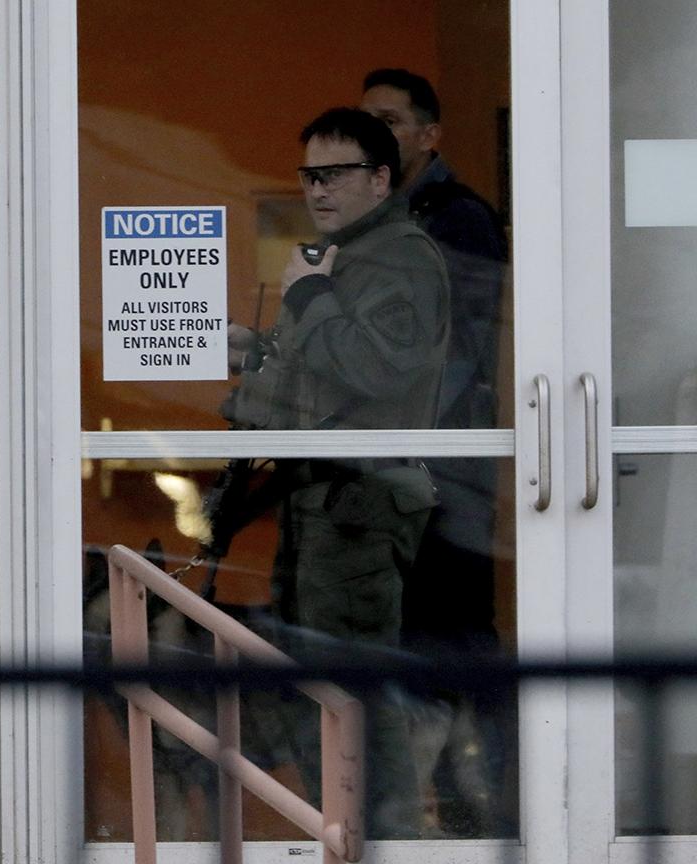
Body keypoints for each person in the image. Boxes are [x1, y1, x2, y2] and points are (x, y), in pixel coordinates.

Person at [225, 107, 449, 838]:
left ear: (381, 179)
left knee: (349, 693)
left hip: (358, 501)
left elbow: (377, 368)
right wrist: (259, 352)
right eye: (308, 175)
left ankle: (381, 842)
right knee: (321, 691)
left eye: (335, 174)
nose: (317, 190)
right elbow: (329, 375)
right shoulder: (347, 256)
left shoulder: (399, 256)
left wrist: (309, 297)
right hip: (322, 498)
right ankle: (352, 834)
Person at [361, 67, 511, 836]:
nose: (375, 133)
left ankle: (499, 808)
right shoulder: (382, 215)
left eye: (389, 118)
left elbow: (449, 347)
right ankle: (442, 811)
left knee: (457, 635)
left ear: (429, 134)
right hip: (403, 469)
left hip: (448, 470)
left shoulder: (457, 219)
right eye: (367, 119)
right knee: (415, 636)